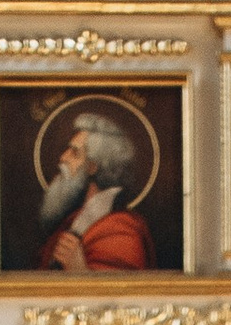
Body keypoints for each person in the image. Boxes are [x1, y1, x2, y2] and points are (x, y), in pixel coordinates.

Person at [35, 106, 152, 272]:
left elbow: (122, 293)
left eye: (74, 153)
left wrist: (79, 270)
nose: (63, 157)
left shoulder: (125, 233)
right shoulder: (73, 220)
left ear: (93, 166)